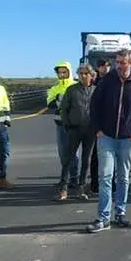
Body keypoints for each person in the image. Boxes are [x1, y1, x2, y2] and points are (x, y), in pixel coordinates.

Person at [86, 48, 131, 233]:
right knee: (105, 176)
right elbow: (95, 105)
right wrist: (97, 129)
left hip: (127, 139)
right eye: (118, 62)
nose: (120, 66)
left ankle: (120, 212)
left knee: (123, 177)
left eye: (124, 62)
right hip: (106, 137)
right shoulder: (107, 81)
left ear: (130, 63)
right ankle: (103, 218)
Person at [57, 64, 97, 201]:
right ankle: (63, 188)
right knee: (68, 159)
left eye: (86, 73)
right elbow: (64, 109)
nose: (83, 76)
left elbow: (101, 111)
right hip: (74, 129)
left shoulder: (96, 91)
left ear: (92, 75)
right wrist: (67, 125)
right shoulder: (71, 90)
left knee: (86, 160)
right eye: (80, 73)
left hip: (90, 131)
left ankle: (81, 188)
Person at [48, 61, 78, 189]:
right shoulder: (54, 88)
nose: (62, 74)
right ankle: (64, 178)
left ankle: (74, 178)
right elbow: (50, 104)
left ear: (69, 72)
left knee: (73, 152)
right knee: (62, 152)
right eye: (59, 72)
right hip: (60, 124)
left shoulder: (76, 85)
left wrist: (60, 100)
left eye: (64, 72)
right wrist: (61, 99)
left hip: (74, 125)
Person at [89, 59, 111, 193]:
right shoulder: (94, 82)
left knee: (111, 156)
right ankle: (94, 183)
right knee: (95, 155)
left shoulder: (113, 80)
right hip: (96, 123)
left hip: (109, 122)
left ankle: (111, 183)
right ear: (98, 68)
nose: (106, 68)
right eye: (103, 66)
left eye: (108, 66)